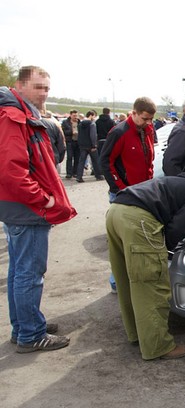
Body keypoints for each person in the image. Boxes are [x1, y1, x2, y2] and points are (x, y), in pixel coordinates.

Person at [105, 174, 185, 360]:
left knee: (128, 280)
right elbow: (176, 229)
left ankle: (138, 334)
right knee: (152, 285)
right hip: (139, 220)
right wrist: (162, 251)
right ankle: (158, 346)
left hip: (116, 211)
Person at [0, 65, 77, 353]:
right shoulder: (13, 117)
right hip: (27, 209)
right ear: (19, 86)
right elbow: (11, 171)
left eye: (46, 87)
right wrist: (44, 199)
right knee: (29, 273)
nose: (44, 93)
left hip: (19, 208)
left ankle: (24, 327)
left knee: (21, 271)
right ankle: (31, 334)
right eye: (38, 87)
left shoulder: (22, 114)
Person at [100, 97, 157, 293]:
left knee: (138, 239)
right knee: (123, 242)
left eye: (151, 119)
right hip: (124, 195)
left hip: (142, 193)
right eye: (144, 118)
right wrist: (120, 188)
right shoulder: (119, 132)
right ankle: (117, 282)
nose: (148, 122)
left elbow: (148, 160)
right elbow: (105, 162)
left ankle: (132, 280)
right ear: (134, 113)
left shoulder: (147, 130)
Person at [75, 110, 103, 182]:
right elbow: (93, 135)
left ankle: (79, 176)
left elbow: (79, 135)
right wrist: (94, 145)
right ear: (91, 115)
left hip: (82, 145)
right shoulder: (92, 124)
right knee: (95, 161)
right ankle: (98, 175)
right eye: (94, 116)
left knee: (81, 161)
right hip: (90, 145)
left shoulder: (80, 124)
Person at [40, 108, 66, 173]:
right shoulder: (54, 124)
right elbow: (61, 145)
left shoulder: (25, 122)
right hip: (52, 159)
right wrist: (58, 159)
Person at [61, 109, 80, 179]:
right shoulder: (66, 122)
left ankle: (75, 172)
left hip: (78, 142)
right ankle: (69, 173)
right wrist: (71, 132)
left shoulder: (79, 122)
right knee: (69, 157)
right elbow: (63, 132)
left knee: (77, 158)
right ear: (71, 115)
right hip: (70, 142)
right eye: (74, 115)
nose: (75, 117)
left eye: (76, 115)